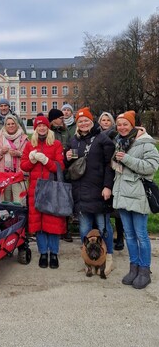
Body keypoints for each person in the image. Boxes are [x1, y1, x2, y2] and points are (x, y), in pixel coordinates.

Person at [112, 110, 159, 289]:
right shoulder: (120, 142)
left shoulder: (146, 143)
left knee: (141, 235)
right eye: (120, 124)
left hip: (138, 195)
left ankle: (144, 270)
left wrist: (127, 159)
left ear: (133, 125)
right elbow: (118, 167)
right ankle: (134, 268)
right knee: (129, 236)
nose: (122, 127)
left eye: (125, 124)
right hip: (122, 193)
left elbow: (151, 167)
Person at [65, 107, 115, 275]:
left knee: (103, 227)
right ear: (77, 124)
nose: (84, 123)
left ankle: (107, 258)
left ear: (92, 121)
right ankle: (88, 258)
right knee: (85, 229)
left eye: (86, 120)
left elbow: (110, 165)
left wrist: (108, 186)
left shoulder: (102, 139)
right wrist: (66, 158)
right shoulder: (74, 141)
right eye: (80, 121)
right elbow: (70, 167)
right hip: (81, 192)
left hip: (99, 190)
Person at [21, 116, 66, 269]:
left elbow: (60, 167)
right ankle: (43, 253)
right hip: (35, 187)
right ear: (35, 128)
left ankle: (53, 253)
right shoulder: (29, 145)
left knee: (52, 221)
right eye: (38, 126)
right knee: (39, 222)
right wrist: (32, 161)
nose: (41, 128)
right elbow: (24, 166)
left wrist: (46, 161)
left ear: (48, 127)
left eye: (44, 126)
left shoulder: (56, 144)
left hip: (51, 187)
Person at [98, 111, 125, 251]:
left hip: (114, 172)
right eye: (103, 120)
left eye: (108, 120)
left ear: (112, 122)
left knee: (117, 208)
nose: (105, 122)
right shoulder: (96, 135)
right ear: (100, 122)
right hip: (100, 173)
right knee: (103, 207)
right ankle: (103, 235)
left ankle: (120, 237)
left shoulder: (116, 136)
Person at [0, 114, 29, 203]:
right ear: (5, 125)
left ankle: (18, 217)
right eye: (8, 124)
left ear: (17, 124)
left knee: (19, 201)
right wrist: (0, 152)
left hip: (19, 175)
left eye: (13, 123)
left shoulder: (24, 139)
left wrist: (19, 154)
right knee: (5, 202)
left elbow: (29, 158)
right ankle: (7, 217)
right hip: (4, 175)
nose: (11, 126)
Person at [48, 108, 73, 242]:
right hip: (51, 170)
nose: (63, 120)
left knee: (64, 199)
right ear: (53, 119)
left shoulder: (66, 131)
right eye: (60, 118)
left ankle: (66, 229)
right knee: (52, 200)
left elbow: (71, 146)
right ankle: (54, 229)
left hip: (64, 169)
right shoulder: (48, 132)